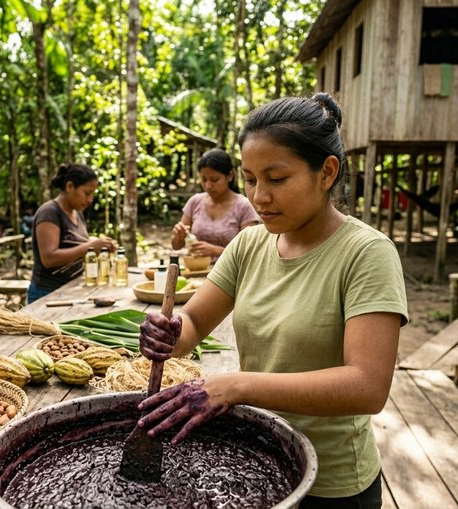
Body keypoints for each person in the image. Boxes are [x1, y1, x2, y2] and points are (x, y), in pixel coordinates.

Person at [135, 94, 407, 507]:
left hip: (332, 487)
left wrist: (236, 386)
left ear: (326, 172)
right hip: (260, 461)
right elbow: (191, 325)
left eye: (276, 179)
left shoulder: (366, 254)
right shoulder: (249, 244)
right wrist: (168, 332)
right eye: (249, 179)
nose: (259, 197)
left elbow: (367, 386)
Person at [28, 163, 116, 304]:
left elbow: (74, 242)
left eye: (92, 193)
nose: (90, 200)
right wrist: (90, 246)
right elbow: (49, 258)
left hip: (71, 291)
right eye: (87, 193)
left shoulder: (78, 213)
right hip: (46, 294)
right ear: (69, 187)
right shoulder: (50, 212)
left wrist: (102, 244)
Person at [170, 148, 260, 260]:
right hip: (197, 271)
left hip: (234, 274)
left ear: (230, 176)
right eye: (204, 179)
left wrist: (216, 251)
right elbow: (176, 246)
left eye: (214, 180)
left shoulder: (244, 206)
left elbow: (249, 251)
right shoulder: (195, 202)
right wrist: (178, 236)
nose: (208, 185)